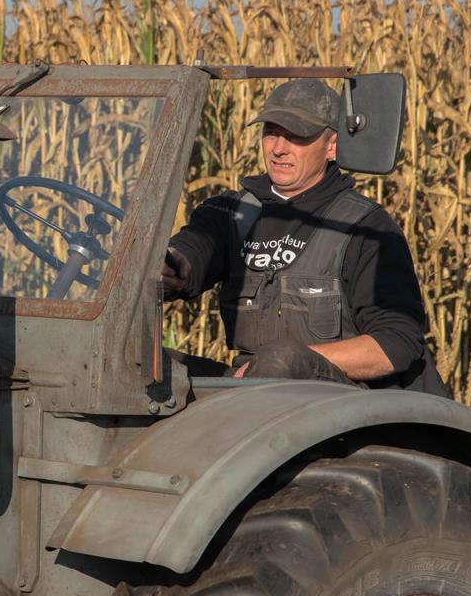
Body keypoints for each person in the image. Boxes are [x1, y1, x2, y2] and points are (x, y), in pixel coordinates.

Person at [161, 79, 449, 395]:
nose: (279, 148)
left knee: (280, 358)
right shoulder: (231, 212)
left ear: (332, 146)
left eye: (296, 137)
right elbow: (193, 250)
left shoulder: (366, 227)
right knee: (142, 369)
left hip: (343, 400)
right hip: (258, 387)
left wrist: (289, 362)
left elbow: (396, 343)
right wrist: (171, 264)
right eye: (271, 132)